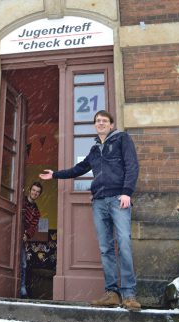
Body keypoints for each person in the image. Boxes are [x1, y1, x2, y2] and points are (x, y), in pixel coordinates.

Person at [39, 110, 141, 311]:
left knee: (124, 243)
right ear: (95, 125)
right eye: (98, 121)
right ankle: (112, 293)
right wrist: (55, 175)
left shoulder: (122, 139)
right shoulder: (95, 149)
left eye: (104, 121)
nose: (101, 123)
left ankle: (129, 294)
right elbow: (79, 168)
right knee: (105, 248)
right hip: (99, 201)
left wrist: (127, 192)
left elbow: (132, 166)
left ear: (111, 125)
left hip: (118, 199)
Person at [20, 181, 43, 298]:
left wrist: (27, 235)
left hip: (23, 237)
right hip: (12, 234)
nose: (35, 193)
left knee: (23, 264)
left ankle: (22, 289)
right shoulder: (20, 201)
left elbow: (33, 227)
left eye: (37, 192)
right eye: (33, 190)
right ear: (30, 190)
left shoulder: (36, 212)